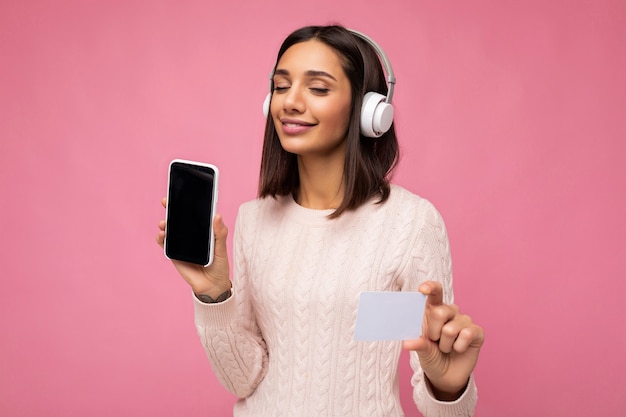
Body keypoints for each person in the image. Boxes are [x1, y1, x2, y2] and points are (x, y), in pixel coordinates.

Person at [156, 25, 484, 416]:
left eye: (318, 88)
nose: (290, 102)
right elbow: (241, 380)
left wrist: (448, 388)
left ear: (369, 111)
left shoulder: (411, 223)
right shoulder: (254, 219)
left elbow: (444, 402)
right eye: (280, 86)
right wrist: (214, 295)